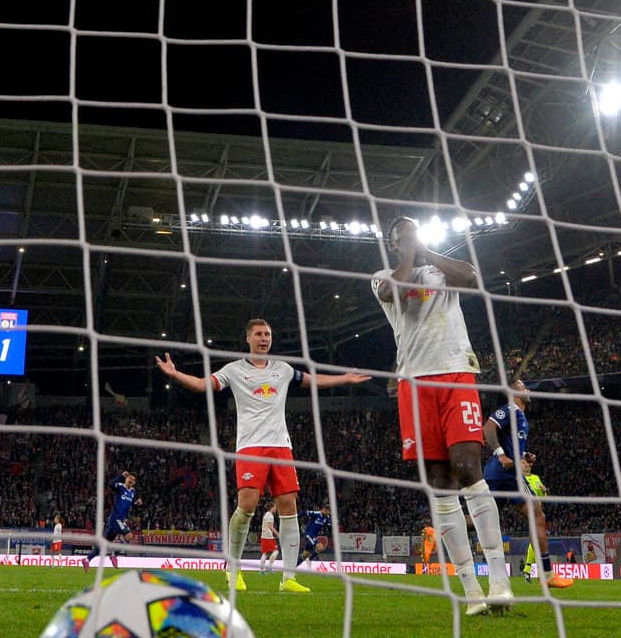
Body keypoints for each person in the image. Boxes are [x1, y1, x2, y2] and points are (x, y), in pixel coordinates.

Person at [158, 319, 370, 594]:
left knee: (289, 507)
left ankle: (289, 578)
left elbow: (311, 380)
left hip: (281, 446)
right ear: (248, 338)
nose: (264, 338)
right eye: (258, 334)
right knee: (247, 506)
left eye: (267, 334)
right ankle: (232, 568)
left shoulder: (282, 369)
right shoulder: (234, 370)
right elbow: (201, 385)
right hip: (251, 446)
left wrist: (344, 378)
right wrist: (175, 374)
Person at [372, 216, 513, 615]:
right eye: (402, 236)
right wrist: (408, 254)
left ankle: (499, 582)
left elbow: (470, 276)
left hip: (456, 374)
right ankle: (471, 591)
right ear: (392, 244)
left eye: (413, 232)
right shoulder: (382, 277)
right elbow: (394, 293)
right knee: (440, 482)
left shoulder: (441, 270)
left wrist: (425, 251)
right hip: (413, 384)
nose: (411, 239)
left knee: (468, 468)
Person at [481, 384, 572, 590]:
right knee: (537, 515)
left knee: (485, 517)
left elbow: (510, 444)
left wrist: (524, 455)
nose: (528, 390)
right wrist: (500, 454)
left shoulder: (520, 416)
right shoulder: (511, 410)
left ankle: (439, 531)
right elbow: (488, 427)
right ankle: (547, 574)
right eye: (523, 387)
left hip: (500, 473)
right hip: (506, 473)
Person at [85, 472, 141, 570]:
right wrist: (121, 476)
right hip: (116, 518)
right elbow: (111, 484)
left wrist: (137, 503)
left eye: (133, 480)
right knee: (129, 536)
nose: (131, 481)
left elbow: (131, 504)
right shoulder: (120, 487)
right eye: (130, 478)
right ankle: (114, 555)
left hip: (120, 520)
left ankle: (87, 559)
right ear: (126, 478)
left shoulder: (133, 491)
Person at [259, 502, 279, 574]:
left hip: (263, 535)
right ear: (272, 507)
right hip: (268, 536)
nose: (276, 508)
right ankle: (269, 567)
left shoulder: (266, 514)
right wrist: (278, 534)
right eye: (275, 507)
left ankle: (262, 570)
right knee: (276, 551)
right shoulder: (270, 516)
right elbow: (271, 527)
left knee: (265, 553)